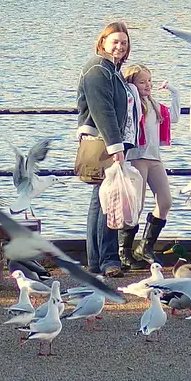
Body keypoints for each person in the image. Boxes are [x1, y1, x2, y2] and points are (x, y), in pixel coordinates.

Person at [76, 21, 133, 277]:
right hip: (103, 143)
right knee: (107, 199)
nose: (119, 46)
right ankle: (107, 260)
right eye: (115, 42)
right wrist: (115, 147)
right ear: (103, 43)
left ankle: (97, 261)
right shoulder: (98, 69)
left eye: (123, 42)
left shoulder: (112, 70)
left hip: (107, 142)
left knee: (100, 201)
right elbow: (103, 111)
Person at [120, 63, 177, 266]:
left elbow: (174, 117)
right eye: (142, 82)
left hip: (154, 158)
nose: (148, 85)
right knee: (136, 204)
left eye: (149, 81)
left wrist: (174, 93)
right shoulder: (132, 105)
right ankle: (124, 252)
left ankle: (145, 246)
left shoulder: (155, 106)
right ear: (132, 85)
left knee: (165, 202)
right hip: (137, 157)